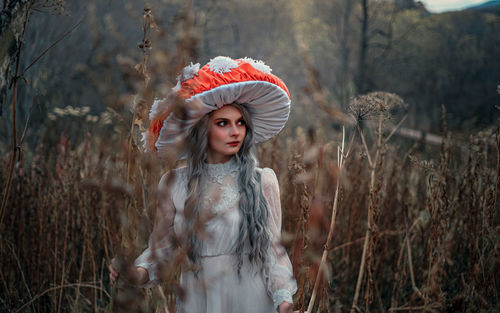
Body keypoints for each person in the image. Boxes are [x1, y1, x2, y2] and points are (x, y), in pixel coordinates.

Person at [109, 56, 297, 313]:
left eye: (240, 122)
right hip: (198, 299)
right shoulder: (175, 183)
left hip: (251, 300)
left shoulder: (262, 180)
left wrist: (285, 303)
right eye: (223, 123)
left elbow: (274, 257)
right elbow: (161, 249)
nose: (235, 132)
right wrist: (135, 273)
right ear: (202, 130)